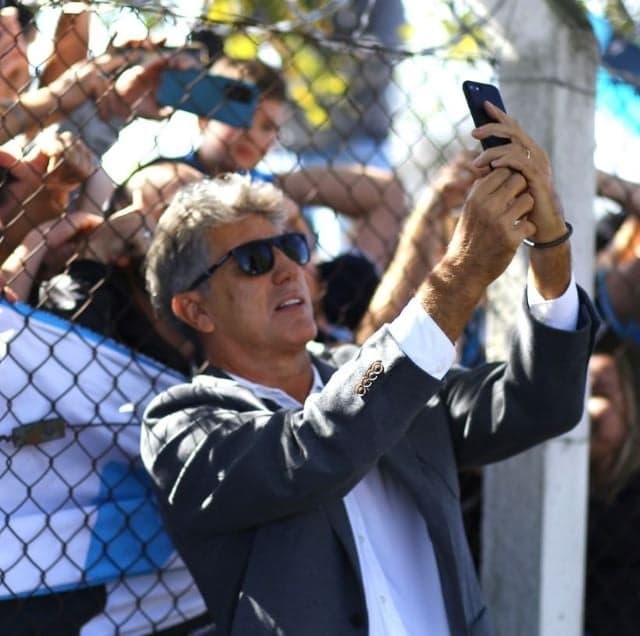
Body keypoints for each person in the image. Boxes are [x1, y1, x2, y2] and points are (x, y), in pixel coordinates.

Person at [139, 99, 599, 635]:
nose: (289, 270)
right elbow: (319, 441)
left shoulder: (369, 373)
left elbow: (538, 402)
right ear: (195, 309)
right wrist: (457, 276)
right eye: (254, 261)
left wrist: (549, 251)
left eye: (291, 248)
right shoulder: (181, 425)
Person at [120, 54, 407, 269]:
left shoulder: (270, 184)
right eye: (241, 118)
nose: (252, 134)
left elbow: (386, 191)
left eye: (268, 127)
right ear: (204, 117)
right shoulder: (174, 170)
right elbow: (163, 185)